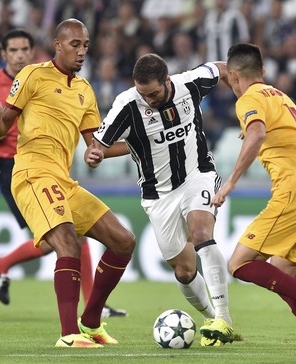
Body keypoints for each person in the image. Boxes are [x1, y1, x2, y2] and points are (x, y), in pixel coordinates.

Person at [0, 18, 136, 348]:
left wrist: (108, 150)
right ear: (57, 45)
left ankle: (90, 322)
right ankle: (68, 335)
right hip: (32, 173)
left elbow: (95, 144)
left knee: (123, 241)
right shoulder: (33, 75)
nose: (81, 51)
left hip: (64, 180)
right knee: (67, 243)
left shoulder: (85, 90)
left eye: (86, 45)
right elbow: (4, 126)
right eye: (75, 45)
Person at [85, 53, 234, 347]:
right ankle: (208, 318)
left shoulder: (189, 84)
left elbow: (221, 69)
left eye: (153, 93)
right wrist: (95, 156)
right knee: (184, 269)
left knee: (202, 233)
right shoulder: (127, 105)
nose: (148, 100)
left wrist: (247, 100)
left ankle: (223, 319)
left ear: (166, 81)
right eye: (143, 93)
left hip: (198, 174)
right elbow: (97, 146)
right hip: (158, 194)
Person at [208, 43, 296, 359]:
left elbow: (256, 135)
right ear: (263, 72)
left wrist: (229, 184)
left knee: (238, 264)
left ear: (236, 76)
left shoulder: (249, 100)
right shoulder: (280, 97)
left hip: (294, 193)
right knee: (281, 276)